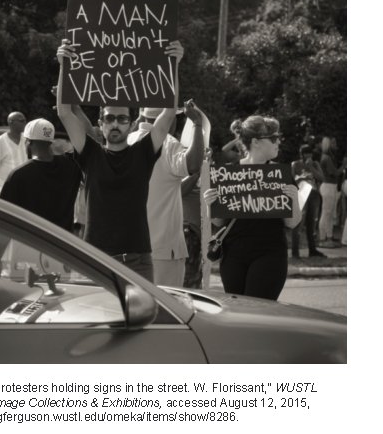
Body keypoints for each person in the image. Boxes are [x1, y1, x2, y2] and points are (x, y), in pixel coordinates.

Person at [56, 39, 184, 282]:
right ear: (101, 123)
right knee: (99, 320)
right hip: (95, 257)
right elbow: (64, 112)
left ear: (131, 122)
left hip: (138, 260)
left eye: (122, 119)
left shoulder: (143, 152)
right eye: (110, 118)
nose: (115, 123)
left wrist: (173, 64)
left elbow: (168, 112)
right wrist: (64, 64)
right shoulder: (91, 153)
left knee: (141, 320)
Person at [203, 115, 301, 300]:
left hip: (270, 254)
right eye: (272, 138)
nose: (277, 142)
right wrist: (210, 205)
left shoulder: (279, 175)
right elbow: (219, 221)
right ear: (256, 142)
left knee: (259, 312)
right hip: (233, 256)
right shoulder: (228, 173)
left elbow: (292, 223)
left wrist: (294, 199)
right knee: (238, 315)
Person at [128, 105, 205, 286]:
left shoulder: (127, 140)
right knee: (165, 308)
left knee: (133, 306)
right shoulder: (167, 143)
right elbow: (192, 164)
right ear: (169, 119)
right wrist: (197, 125)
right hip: (162, 249)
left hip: (128, 247)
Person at [0, 118, 82, 231]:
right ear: (51, 141)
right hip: (63, 243)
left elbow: (4, 218)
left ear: (28, 142)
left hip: (33, 242)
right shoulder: (72, 165)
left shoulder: (18, 175)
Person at [291, 144, 326, 258]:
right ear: (301, 154)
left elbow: (322, 178)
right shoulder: (295, 164)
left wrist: (311, 168)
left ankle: (312, 250)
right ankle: (295, 252)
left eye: (309, 153)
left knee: (312, 223)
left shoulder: (315, 164)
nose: (308, 155)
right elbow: (291, 180)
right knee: (298, 223)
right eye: (306, 153)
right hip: (301, 193)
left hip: (313, 194)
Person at [0, 111, 27, 197]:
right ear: (11, 122)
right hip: (4, 188)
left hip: (23, 188)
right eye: (21, 120)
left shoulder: (26, 140)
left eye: (24, 120)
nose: (24, 123)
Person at [318, 136, 344, 247]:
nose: (336, 146)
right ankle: (322, 239)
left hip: (330, 186)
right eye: (333, 143)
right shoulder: (327, 158)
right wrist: (344, 165)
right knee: (326, 213)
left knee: (329, 213)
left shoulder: (328, 157)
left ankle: (329, 237)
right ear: (328, 145)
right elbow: (335, 173)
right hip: (328, 186)